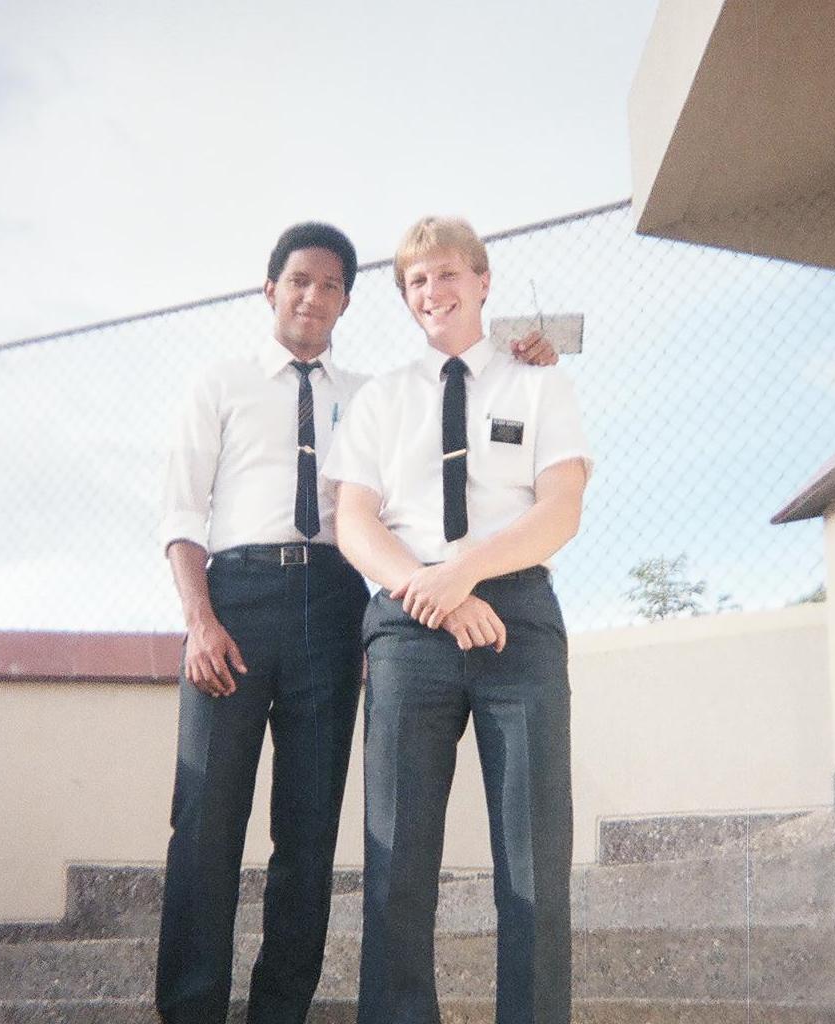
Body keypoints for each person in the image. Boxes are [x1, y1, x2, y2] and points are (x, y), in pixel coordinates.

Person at [154, 221, 556, 1024]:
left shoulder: (372, 393)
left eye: (332, 285)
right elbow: (181, 515)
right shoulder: (220, 384)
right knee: (205, 825)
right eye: (299, 280)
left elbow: (458, 388)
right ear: (270, 289)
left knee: (308, 837)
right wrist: (199, 619)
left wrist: (526, 349)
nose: (314, 296)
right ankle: (190, 1009)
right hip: (234, 601)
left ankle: (280, 1013)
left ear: (348, 300)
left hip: (334, 608)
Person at [324, 215, 592, 1024]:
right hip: (408, 629)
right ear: (405, 299)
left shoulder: (537, 383)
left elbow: (563, 508)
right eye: (415, 282)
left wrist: (467, 572)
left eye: (447, 274)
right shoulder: (381, 398)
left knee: (533, 862)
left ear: (482, 281)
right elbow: (354, 521)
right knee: (397, 860)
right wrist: (428, 587)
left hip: (517, 620)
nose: (432, 292)